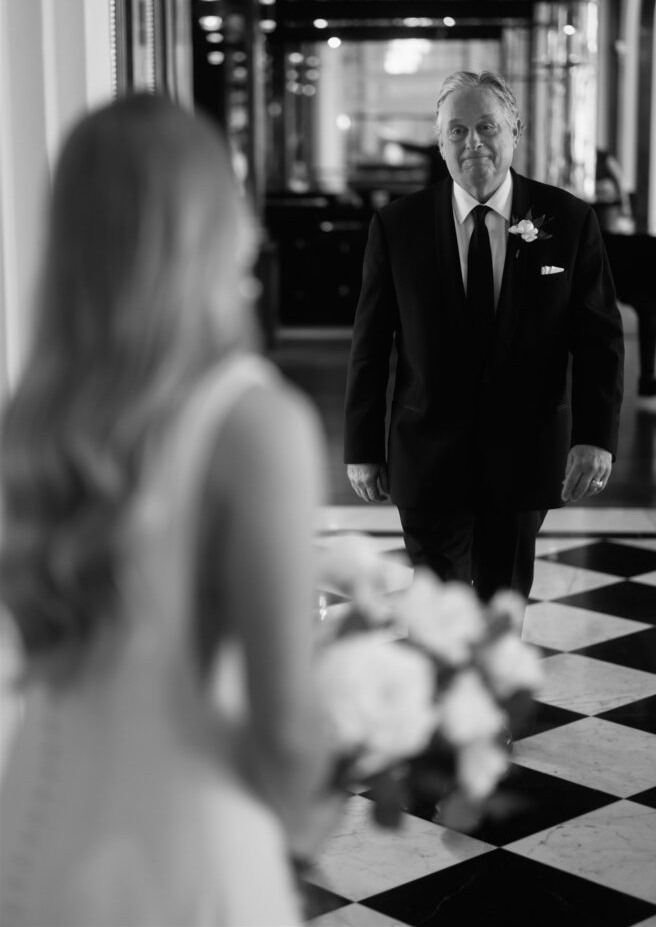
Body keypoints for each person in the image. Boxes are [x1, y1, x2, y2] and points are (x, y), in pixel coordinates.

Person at [0, 93, 337, 926]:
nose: (252, 229)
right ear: (194, 230)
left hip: (35, 845)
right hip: (189, 859)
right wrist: (316, 806)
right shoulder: (255, 424)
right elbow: (286, 730)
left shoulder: (39, 417)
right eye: (232, 200)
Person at [344, 70, 624, 604]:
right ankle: (448, 689)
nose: (473, 142)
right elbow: (370, 345)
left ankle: (492, 689)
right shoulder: (397, 227)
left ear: (514, 131)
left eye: (487, 127)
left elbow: (599, 341)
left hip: (524, 455)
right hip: (425, 455)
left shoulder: (568, 220)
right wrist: (362, 446)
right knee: (437, 615)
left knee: (501, 608)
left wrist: (595, 437)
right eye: (457, 130)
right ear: (440, 141)